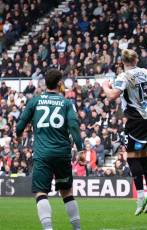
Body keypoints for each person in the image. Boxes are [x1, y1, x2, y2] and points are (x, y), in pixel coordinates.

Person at [16, 69, 82, 230]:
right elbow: (73, 125)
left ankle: (48, 229)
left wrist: (19, 134)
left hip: (42, 154)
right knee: (67, 193)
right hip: (62, 153)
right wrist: (80, 149)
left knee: (40, 193)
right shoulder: (66, 103)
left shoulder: (35, 101)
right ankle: (77, 228)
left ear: (46, 83)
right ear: (59, 84)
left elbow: (20, 125)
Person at [102, 49, 147, 216]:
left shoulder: (123, 77)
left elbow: (112, 96)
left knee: (132, 157)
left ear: (122, 61)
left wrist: (106, 86)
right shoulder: (145, 72)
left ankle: (140, 198)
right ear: (136, 59)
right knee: (143, 156)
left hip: (135, 121)